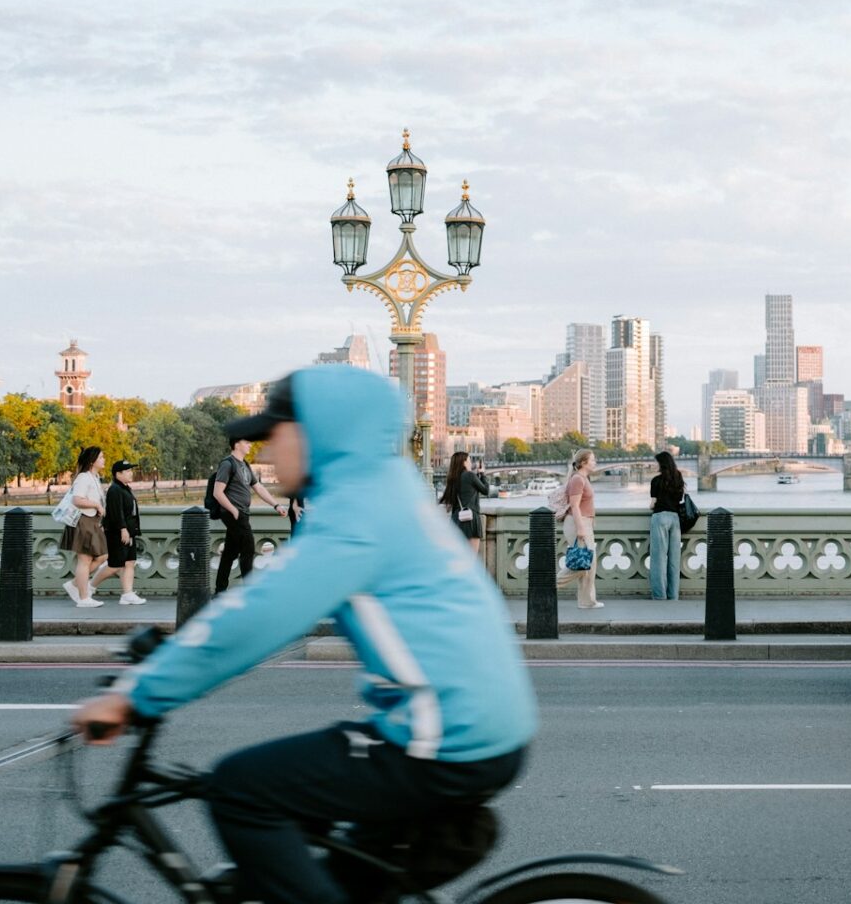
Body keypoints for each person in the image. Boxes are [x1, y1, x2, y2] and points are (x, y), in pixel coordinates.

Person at [71, 367, 536, 904]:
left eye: (277, 435)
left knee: (242, 788)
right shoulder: (386, 490)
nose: (269, 454)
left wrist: (139, 694)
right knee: (341, 876)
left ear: (318, 432)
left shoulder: (356, 514)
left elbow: (259, 616)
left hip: (444, 734)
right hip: (481, 724)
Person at [214, 435, 286, 593]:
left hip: (242, 513)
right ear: (237, 444)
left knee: (230, 553)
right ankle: (249, 592)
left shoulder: (244, 465)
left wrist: (276, 505)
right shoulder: (227, 464)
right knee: (248, 548)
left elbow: (258, 487)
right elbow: (217, 492)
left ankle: (220, 591)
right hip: (234, 514)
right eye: (246, 442)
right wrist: (233, 510)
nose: (250, 445)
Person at [89, 459, 147, 605]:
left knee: (129, 562)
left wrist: (131, 531)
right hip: (117, 533)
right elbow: (116, 512)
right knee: (115, 565)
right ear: (118, 474)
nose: (131, 473)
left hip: (129, 531)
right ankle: (89, 587)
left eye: (130, 470)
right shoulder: (115, 490)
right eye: (127, 471)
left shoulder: (124, 488)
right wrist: (123, 529)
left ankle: (127, 594)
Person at [60, 446, 109, 608]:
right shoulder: (83, 477)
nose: (104, 459)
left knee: (102, 556)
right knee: (85, 560)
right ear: (92, 461)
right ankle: (83, 598)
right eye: (101, 457)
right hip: (83, 521)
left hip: (92, 521)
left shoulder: (94, 477)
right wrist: (96, 505)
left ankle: (75, 584)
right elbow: (77, 500)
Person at [554, 448, 601, 609]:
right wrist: (581, 528)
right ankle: (548, 587)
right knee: (583, 564)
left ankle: (586, 601)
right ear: (583, 463)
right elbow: (574, 506)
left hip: (584, 523)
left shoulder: (583, 478)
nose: (595, 462)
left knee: (588, 564)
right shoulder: (577, 480)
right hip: (577, 524)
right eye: (592, 460)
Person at [648, 450, 686, 599]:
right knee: (674, 560)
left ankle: (660, 596)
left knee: (659, 558)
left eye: (656, 462)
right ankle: (673, 595)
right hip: (675, 519)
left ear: (661, 464)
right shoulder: (678, 478)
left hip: (660, 518)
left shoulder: (656, 481)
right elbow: (679, 500)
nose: (654, 465)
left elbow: (653, 504)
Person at [441, 450, 493, 552]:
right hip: (470, 519)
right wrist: (482, 474)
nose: (470, 463)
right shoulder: (470, 475)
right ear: (464, 462)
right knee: (471, 558)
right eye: (469, 461)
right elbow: (486, 490)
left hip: (456, 520)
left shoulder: (452, 479)